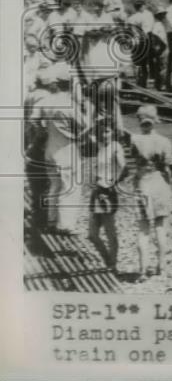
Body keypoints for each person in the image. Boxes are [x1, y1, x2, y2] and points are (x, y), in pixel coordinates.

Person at [31, 63, 84, 234]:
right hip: (66, 149)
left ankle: (52, 220)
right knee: (70, 187)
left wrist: (42, 133)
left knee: (54, 185)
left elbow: (34, 119)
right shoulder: (70, 104)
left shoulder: (47, 100)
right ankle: (66, 225)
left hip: (49, 148)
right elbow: (84, 125)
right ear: (70, 84)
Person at [130, 104, 172, 277]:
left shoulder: (135, 139)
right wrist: (169, 186)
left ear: (139, 120)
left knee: (143, 230)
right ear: (155, 120)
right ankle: (161, 267)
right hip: (159, 183)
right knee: (161, 227)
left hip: (143, 184)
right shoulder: (164, 141)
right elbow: (167, 169)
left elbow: (135, 161)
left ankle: (142, 270)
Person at [88, 116, 126, 274]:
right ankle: (108, 260)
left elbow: (124, 167)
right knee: (92, 234)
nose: (105, 134)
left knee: (110, 231)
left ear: (113, 132)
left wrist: (113, 182)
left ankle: (113, 264)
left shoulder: (116, 146)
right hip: (97, 191)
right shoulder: (101, 146)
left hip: (108, 192)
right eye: (102, 132)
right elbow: (87, 133)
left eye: (108, 131)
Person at [126, 0, 155, 88]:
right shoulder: (134, 17)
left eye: (141, 6)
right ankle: (141, 81)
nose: (141, 8)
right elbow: (130, 28)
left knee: (149, 60)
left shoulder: (149, 14)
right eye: (138, 6)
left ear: (144, 6)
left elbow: (151, 26)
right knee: (140, 61)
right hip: (140, 39)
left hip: (148, 37)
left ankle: (148, 80)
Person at [148, 9, 169, 90]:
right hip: (161, 49)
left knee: (160, 67)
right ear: (158, 16)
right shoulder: (157, 25)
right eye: (162, 15)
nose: (164, 16)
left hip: (161, 48)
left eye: (164, 14)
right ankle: (161, 85)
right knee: (162, 67)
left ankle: (159, 84)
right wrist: (158, 49)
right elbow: (154, 39)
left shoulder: (160, 24)